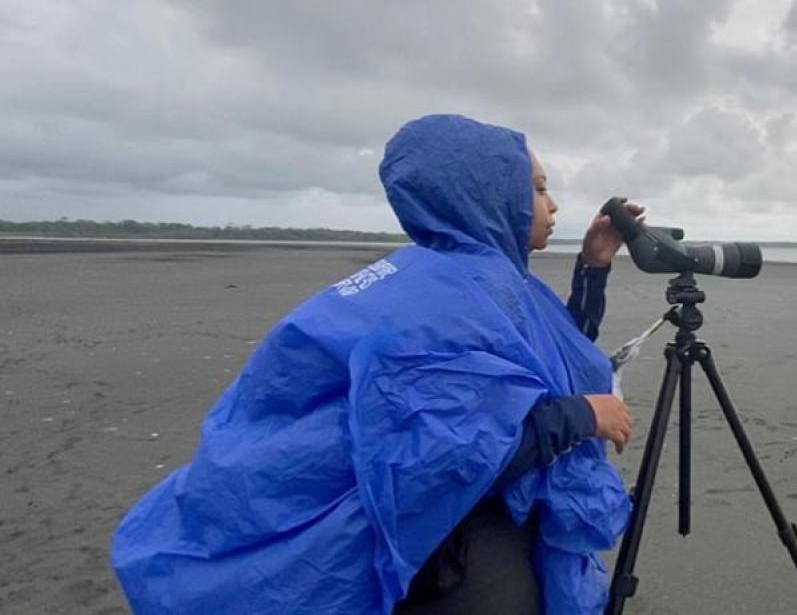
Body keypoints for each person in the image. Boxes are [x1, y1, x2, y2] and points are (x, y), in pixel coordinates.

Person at [112, 114, 643, 615]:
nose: (553, 206)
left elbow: (547, 362)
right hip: (429, 544)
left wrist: (593, 267)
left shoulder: (427, 275)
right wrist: (581, 417)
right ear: (487, 192)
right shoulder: (457, 296)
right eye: (539, 187)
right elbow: (445, 456)